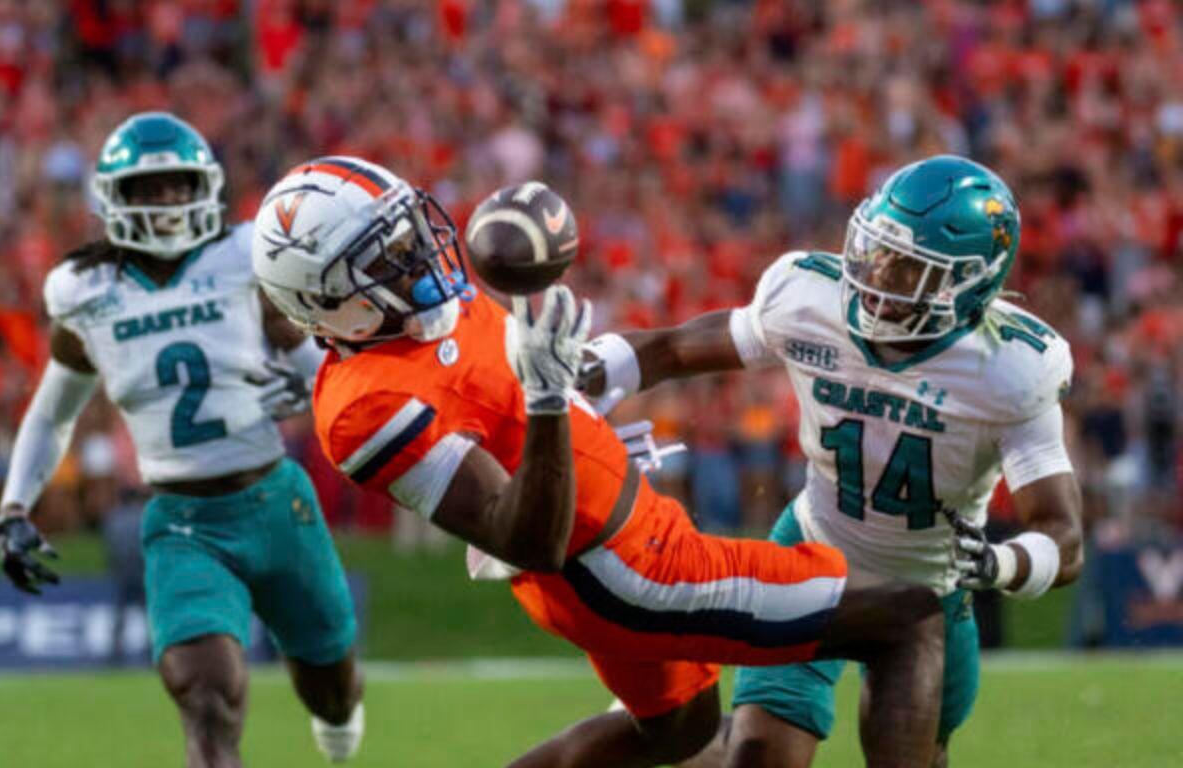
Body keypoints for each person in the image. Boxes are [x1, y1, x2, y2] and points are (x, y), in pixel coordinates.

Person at [251, 155, 946, 768]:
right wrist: (552, 400)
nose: (416, 254)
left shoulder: (414, 309)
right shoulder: (365, 407)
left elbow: (520, 386)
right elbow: (528, 539)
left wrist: (582, 384)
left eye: (404, 230)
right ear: (327, 302)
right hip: (620, 571)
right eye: (382, 255)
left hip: (623, 533)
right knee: (907, 621)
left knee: (679, 730)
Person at [580, 155, 1085, 768]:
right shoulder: (810, 302)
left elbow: (1064, 536)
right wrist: (583, 370)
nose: (877, 275)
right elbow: (678, 347)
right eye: (878, 250)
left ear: (970, 284)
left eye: (909, 269)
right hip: (815, 554)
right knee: (761, 757)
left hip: (929, 586)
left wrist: (1002, 561)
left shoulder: (1009, 369)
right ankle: (696, 737)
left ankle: (695, 739)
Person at [0, 113, 364, 766]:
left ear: (205, 187)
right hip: (183, 524)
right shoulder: (88, 290)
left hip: (276, 502)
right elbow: (52, 414)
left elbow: (328, 378)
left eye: (177, 185)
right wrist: (14, 507)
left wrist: (307, 395)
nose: (166, 202)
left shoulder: (243, 260)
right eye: (150, 188)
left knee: (333, 688)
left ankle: (337, 725)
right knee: (207, 700)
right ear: (115, 198)